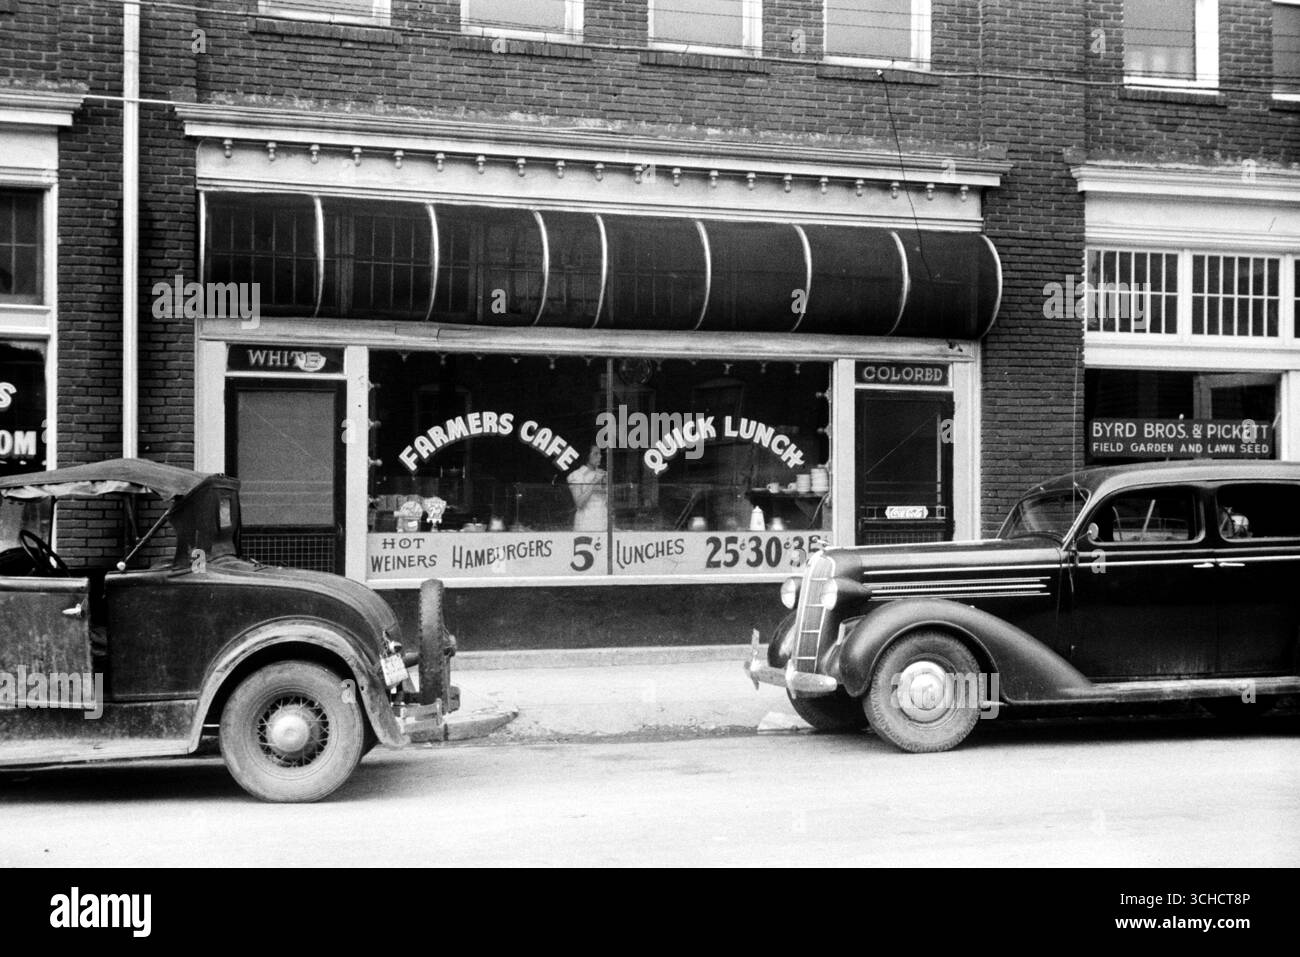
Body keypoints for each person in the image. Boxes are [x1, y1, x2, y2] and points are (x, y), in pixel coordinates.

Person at [566, 444, 608, 532]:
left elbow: (607, 502)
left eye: (600, 454)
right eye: (595, 454)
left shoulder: (602, 474)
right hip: (586, 525)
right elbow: (579, 503)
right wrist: (593, 482)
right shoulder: (576, 475)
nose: (600, 456)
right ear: (587, 456)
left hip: (603, 524)